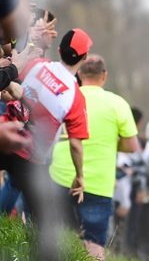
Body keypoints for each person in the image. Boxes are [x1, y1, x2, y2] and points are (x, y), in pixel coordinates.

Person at [48, 55, 139, 261]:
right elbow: (132, 146)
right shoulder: (117, 103)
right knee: (94, 244)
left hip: (61, 175)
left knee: (55, 235)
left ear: (79, 74)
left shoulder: (67, 95)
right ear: (104, 76)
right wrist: (110, 142)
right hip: (97, 184)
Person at [0, 28, 91, 223]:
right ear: (84, 58)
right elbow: (76, 145)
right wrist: (80, 176)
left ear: (59, 50)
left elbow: (10, 81)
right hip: (29, 156)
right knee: (42, 219)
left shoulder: (37, 65)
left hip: (4, 132)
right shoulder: (76, 97)